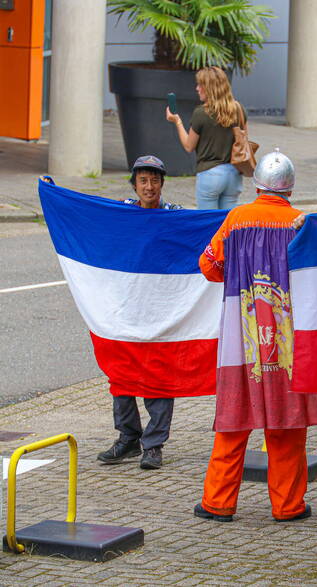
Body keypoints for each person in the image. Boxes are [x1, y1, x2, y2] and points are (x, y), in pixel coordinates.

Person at [194, 150, 317, 523]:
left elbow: (209, 266)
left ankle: (217, 502)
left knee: (235, 416)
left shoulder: (237, 219)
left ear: (257, 185)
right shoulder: (302, 223)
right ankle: (288, 505)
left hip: (243, 335)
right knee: (287, 421)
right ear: (290, 190)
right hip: (289, 337)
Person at [96, 155, 181, 471]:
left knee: (158, 375)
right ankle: (128, 437)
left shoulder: (175, 217)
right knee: (121, 371)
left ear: (162, 183)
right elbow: (89, 218)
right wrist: (56, 196)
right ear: (135, 184)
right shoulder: (123, 212)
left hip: (160, 308)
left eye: (155, 180)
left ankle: (154, 444)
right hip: (126, 306)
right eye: (143, 180)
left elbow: (204, 229)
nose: (150, 186)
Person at [165, 66, 247, 209]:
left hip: (210, 175)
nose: (197, 88)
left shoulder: (201, 113)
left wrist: (177, 121)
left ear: (209, 88)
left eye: (200, 85)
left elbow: (189, 146)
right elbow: (244, 140)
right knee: (226, 224)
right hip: (234, 174)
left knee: (208, 223)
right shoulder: (239, 109)